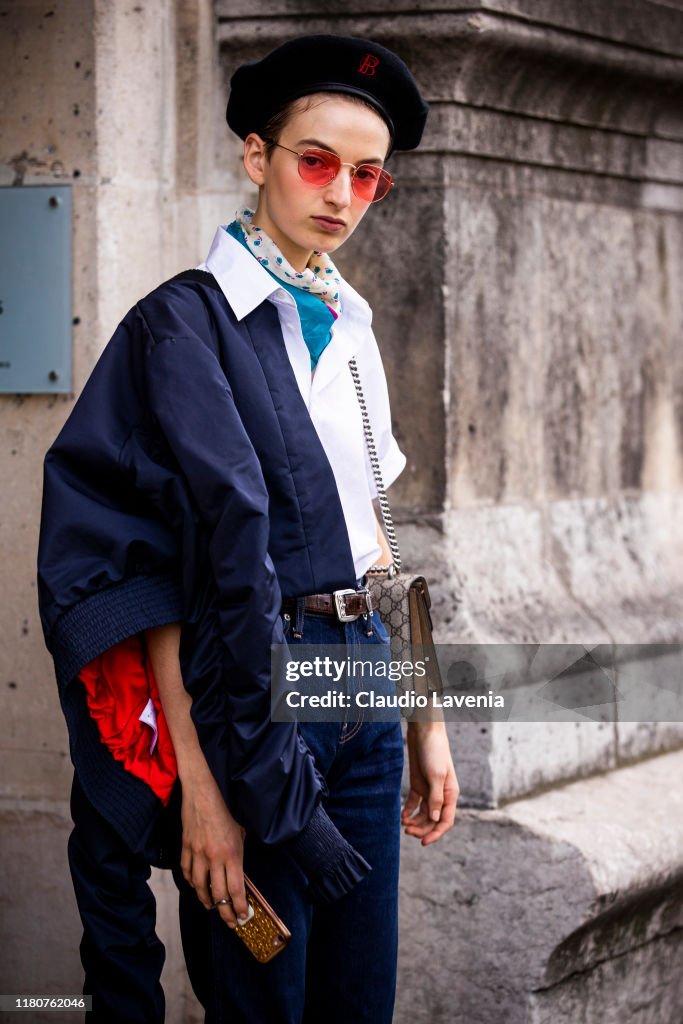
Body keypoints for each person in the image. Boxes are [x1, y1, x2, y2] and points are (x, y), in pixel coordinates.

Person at [37, 33, 459, 1024]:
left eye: (367, 177)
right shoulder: (176, 330)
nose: (341, 196)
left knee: (359, 1000)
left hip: (358, 677)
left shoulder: (352, 329)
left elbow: (386, 538)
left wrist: (426, 719)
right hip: (249, 701)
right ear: (254, 155)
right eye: (315, 161)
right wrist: (205, 796)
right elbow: (157, 585)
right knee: (261, 994)